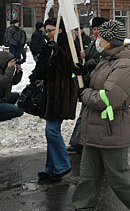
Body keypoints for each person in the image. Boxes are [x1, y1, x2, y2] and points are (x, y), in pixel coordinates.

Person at [72, 20, 130, 211]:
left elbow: (107, 98)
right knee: (87, 176)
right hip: (94, 126)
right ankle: (83, 207)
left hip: (112, 127)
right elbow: (96, 85)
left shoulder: (125, 65)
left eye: (100, 37)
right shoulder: (107, 59)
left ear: (110, 41)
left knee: (118, 177)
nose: (97, 40)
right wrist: (82, 76)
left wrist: (83, 93)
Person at [32, 18, 78, 181]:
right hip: (50, 93)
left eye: (50, 30)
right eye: (45, 31)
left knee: (52, 130)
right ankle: (51, 167)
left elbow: (70, 68)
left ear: (59, 30)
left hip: (62, 92)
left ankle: (62, 165)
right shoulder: (47, 46)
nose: (47, 34)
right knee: (50, 130)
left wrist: (57, 51)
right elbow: (41, 69)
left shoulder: (69, 45)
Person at [68, 16, 109, 154]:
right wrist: (83, 55)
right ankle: (80, 142)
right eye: (94, 29)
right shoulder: (94, 42)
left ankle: (80, 142)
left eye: (98, 29)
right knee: (86, 113)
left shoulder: (106, 43)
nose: (96, 32)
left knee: (87, 113)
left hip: (99, 84)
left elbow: (102, 60)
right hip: (91, 82)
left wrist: (87, 65)